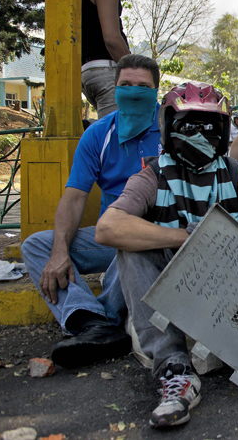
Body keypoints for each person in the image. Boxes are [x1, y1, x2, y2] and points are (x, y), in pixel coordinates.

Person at [95, 82, 238, 429]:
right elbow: (107, 228)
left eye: (209, 126)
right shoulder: (151, 176)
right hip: (179, 297)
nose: (200, 134)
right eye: (190, 125)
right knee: (129, 241)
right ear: (169, 127)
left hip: (234, 293)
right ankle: (176, 370)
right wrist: (187, 238)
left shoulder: (234, 172)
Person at [22, 54, 162, 368]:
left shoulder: (169, 130)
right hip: (108, 236)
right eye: (126, 85)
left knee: (131, 243)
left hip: (158, 237)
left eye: (143, 86)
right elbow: (73, 198)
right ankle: (95, 322)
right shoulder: (98, 134)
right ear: (114, 90)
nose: (134, 92)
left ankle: (103, 323)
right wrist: (60, 251)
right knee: (36, 246)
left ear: (156, 91)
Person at [82, 0, 140, 119]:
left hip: (85, 72)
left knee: (105, 133)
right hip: (105, 70)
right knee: (120, 138)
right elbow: (112, 38)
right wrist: (136, 73)